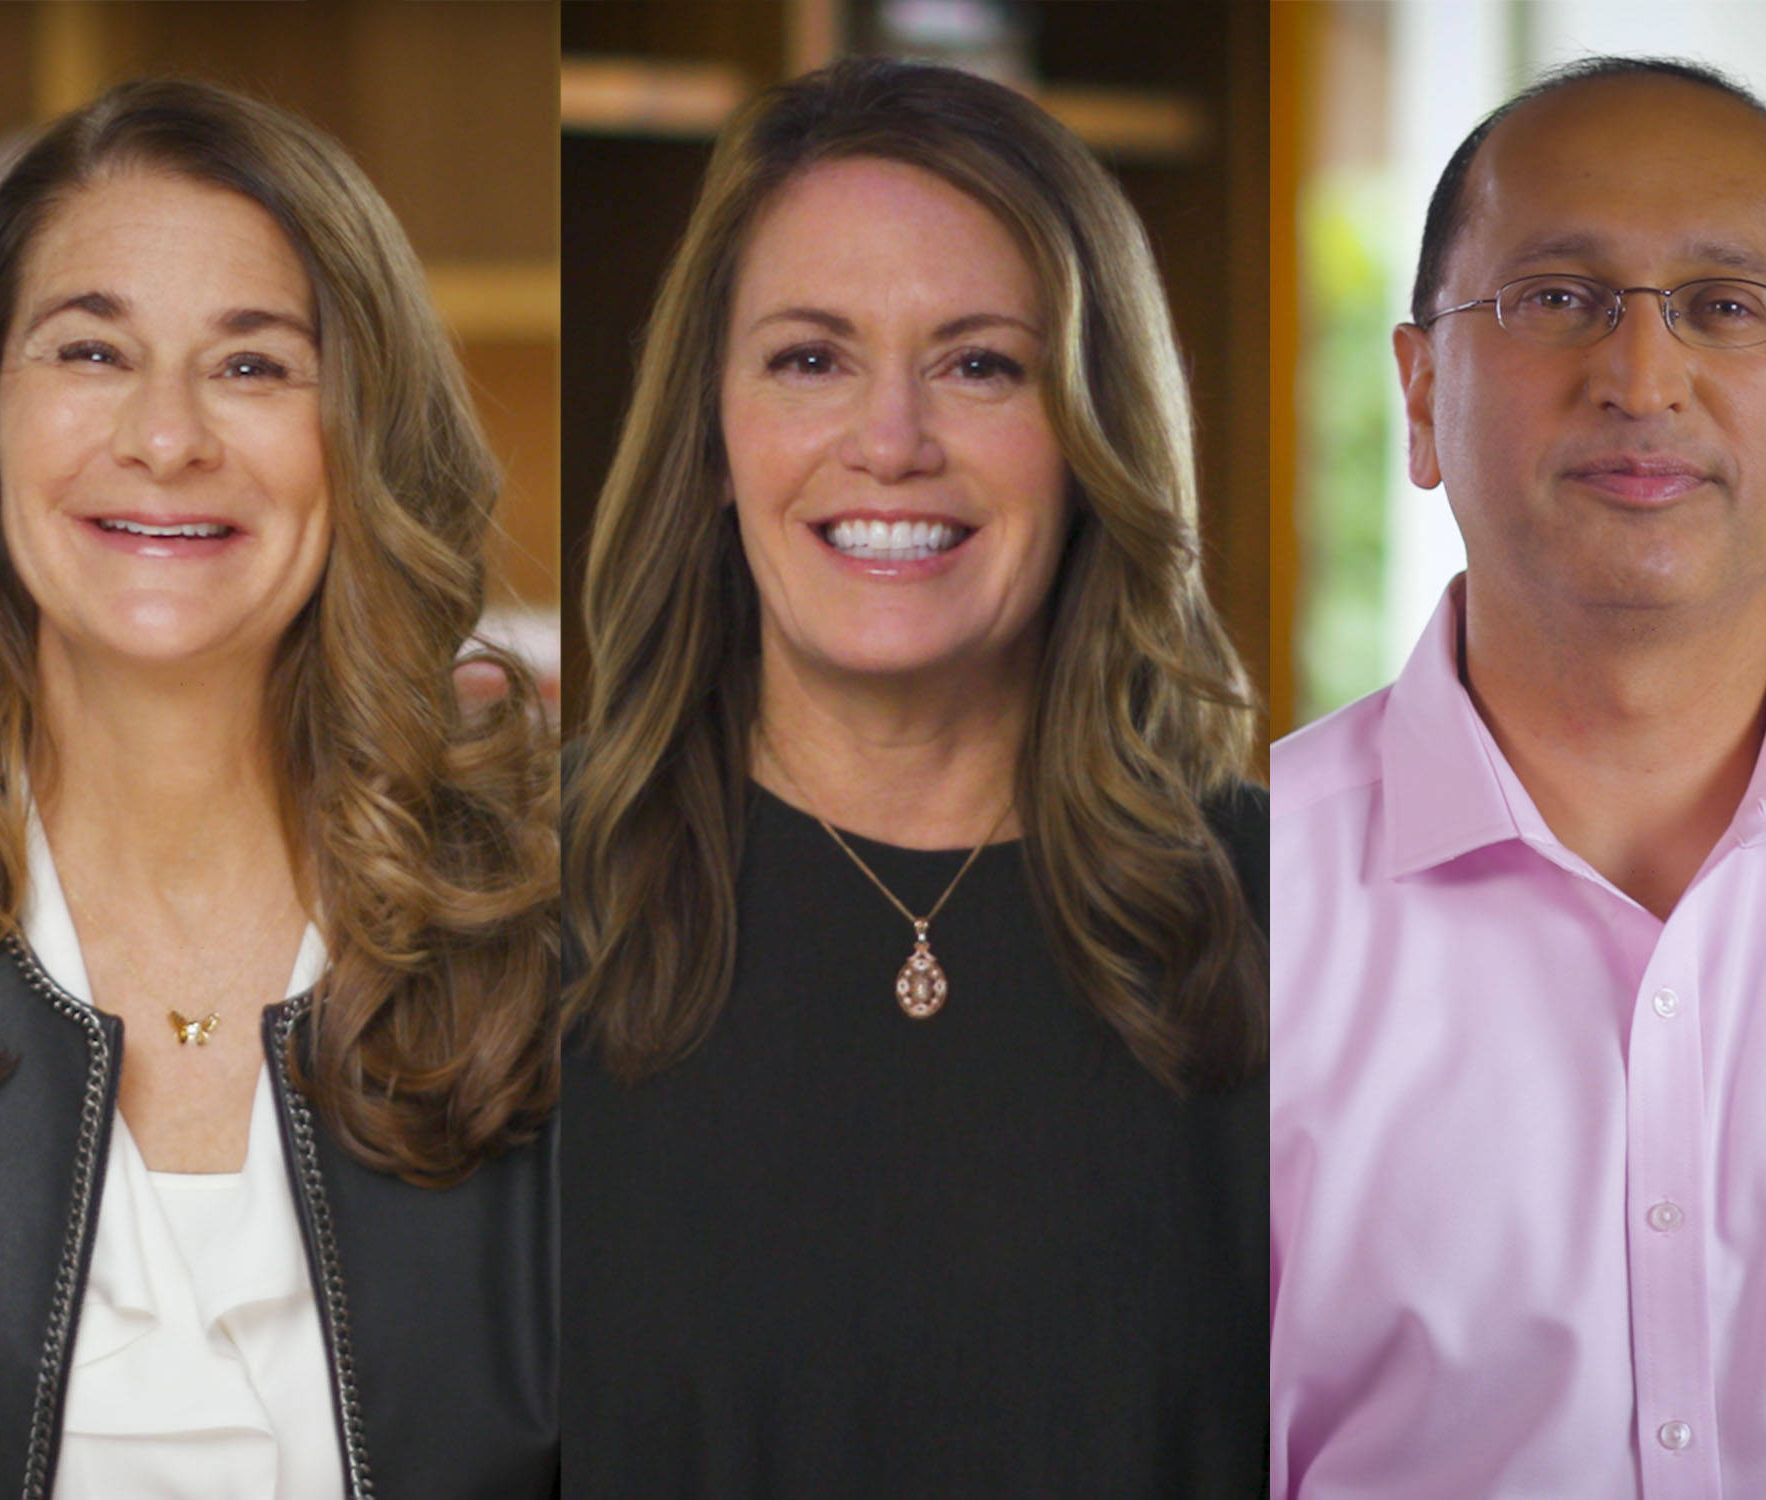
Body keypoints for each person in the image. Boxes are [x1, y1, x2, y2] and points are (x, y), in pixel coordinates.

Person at [562, 57, 1265, 1499]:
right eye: (811, 358)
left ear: (1090, 435)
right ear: (713, 427)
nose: (890, 443)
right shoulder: (509, 905)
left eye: (979, 363)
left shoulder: (1299, 920)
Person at [0, 80, 557, 1497]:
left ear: (356, 432)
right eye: (92, 351)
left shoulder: (569, 933)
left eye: (251, 367)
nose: (166, 436)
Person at [1270, 55, 1766, 1497]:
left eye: (1726, 308)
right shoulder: (1225, 907)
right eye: (1557, 299)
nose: (1642, 377)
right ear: (1418, 388)